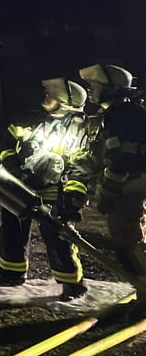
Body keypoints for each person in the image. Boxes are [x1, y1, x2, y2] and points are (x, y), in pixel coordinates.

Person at [0, 77, 90, 301]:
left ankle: (72, 284)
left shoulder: (78, 131)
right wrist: (14, 168)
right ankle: (11, 274)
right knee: (11, 231)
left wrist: (74, 194)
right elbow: (6, 145)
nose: (46, 98)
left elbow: (81, 165)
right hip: (19, 185)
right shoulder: (29, 119)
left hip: (55, 191)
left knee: (59, 237)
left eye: (51, 97)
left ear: (65, 104)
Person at [69, 63, 146, 300]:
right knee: (133, 240)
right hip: (133, 189)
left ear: (111, 89)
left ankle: (145, 295)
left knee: (129, 242)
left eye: (94, 85)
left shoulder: (119, 115)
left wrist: (109, 193)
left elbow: (123, 159)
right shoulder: (126, 113)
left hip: (128, 191)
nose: (89, 90)